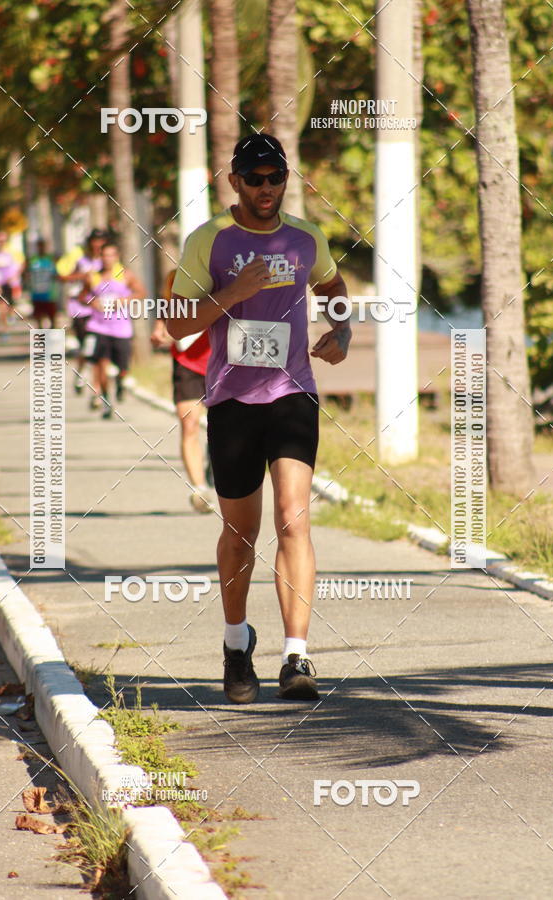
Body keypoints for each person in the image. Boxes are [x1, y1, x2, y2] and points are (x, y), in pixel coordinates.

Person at [165, 134, 351, 703]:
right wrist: (233, 292)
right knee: (241, 531)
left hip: (293, 394)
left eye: (276, 177)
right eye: (255, 178)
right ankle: (234, 644)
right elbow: (175, 325)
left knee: (294, 520)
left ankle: (296, 655)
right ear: (234, 181)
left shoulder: (304, 238)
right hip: (230, 401)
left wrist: (341, 333)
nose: (266, 188)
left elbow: (333, 287)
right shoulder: (210, 241)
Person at [151, 270, 213, 514]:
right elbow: (163, 326)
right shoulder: (172, 291)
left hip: (220, 364)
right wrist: (160, 335)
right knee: (189, 425)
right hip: (186, 366)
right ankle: (199, 489)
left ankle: (214, 468)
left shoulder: (220, 287)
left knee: (224, 427)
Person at [80, 241, 145, 419]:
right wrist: (91, 302)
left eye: (111, 255)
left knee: (123, 366)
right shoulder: (92, 276)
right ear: (100, 257)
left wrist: (125, 300)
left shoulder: (125, 275)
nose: (107, 259)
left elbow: (141, 293)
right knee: (101, 365)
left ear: (117, 257)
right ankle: (106, 401)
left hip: (121, 328)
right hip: (99, 326)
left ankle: (120, 382)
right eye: (104, 255)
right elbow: (82, 296)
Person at [57, 229, 106, 401]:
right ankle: (81, 373)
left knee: (97, 351)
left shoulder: (107, 261)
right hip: (79, 308)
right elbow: (63, 277)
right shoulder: (80, 260)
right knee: (86, 346)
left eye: (101, 242)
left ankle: (97, 393)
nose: (97, 245)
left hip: (99, 309)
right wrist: (82, 275)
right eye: (95, 241)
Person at [0, 230, 23, 332]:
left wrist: (15, 276)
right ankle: (5, 329)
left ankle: (11, 316)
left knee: (11, 305)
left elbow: (22, 264)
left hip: (12, 283)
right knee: (1, 306)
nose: (1, 242)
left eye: (3, 240)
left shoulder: (13, 251)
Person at [28, 238, 57, 328]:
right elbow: (28, 274)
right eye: (39, 246)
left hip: (49, 295)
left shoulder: (51, 259)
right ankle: (42, 340)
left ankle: (53, 339)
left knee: (52, 319)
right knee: (39, 319)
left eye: (43, 246)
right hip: (36, 294)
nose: (41, 248)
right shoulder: (33, 260)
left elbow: (56, 275)